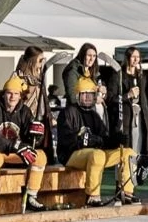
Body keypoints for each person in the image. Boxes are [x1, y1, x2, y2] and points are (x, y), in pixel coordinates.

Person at [0, 75, 50, 216]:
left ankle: (31, 196)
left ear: (20, 96)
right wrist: (17, 146)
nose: (12, 97)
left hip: (9, 153)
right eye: (9, 93)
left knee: (40, 157)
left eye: (16, 94)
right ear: (4, 94)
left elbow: (31, 142)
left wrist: (37, 135)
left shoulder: (25, 112)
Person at [57, 76, 137, 206]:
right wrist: (87, 140)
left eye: (91, 94)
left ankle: (127, 192)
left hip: (95, 156)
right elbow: (67, 139)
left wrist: (115, 140)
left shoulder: (94, 115)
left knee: (128, 153)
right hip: (71, 155)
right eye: (84, 94)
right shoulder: (68, 113)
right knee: (97, 154)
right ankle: (93, 196)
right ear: (77, 95)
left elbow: (103, 139)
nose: (88, 97)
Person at [115, 47, 148, 159]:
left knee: (141, 146)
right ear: (127, 58)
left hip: (141, 117)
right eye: (133, 56)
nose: (136, 59)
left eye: (138, 57)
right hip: (126, 119)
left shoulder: (142, 76)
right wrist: (128, 95)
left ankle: (139, 171)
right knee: (127, 150)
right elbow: (112, 99)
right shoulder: (119, 75)